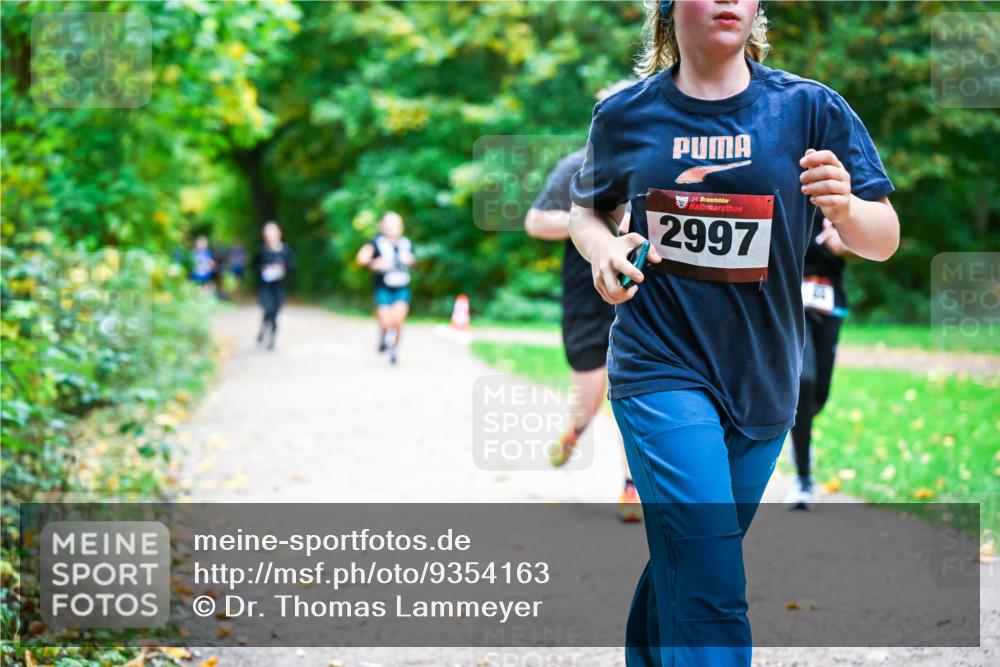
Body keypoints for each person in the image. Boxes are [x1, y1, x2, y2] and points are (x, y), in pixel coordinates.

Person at [567, 1, 898, 664]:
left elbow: (883, 238)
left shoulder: (810, 110)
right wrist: (603, 253)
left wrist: (844, 206)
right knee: (711, 575)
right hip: (658, 365)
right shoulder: (626, 116)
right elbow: (587, 213)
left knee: (691, 561)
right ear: (667, 8)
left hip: (763, 377)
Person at [525, 106, 642, 522]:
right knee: (590, 399)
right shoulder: (577, 166)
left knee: (630, 391)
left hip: (638, 295)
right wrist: (587, 220)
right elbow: (535, 222)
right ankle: (576, 430)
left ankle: (632, 487)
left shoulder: (652, 164)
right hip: (585, 296)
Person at [786, 217, 851, 509]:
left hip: (829, 299)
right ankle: (803, 479)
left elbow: (869, 245)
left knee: (819, 396)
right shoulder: (782, 183)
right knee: (804, 380)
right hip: (789, 300)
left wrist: (847, 244)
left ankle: (800, 436)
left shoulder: (840, 191)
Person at [355, 212, 415, 366]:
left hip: (402, 287)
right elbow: (361, 258)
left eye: (396, 224)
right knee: (387, 321)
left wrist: (410, 260)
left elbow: (414, 261)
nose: (393, 228)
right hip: (383, 287)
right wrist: (374, 262)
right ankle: (383, 335)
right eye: (389, 225)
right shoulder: (376, 243)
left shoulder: (406, 243)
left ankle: (394, 351)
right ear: (383, 226)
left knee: (398, 320)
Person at [253, 221, 293, 351]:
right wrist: (264, 270)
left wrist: (282, 267)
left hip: (279, 287)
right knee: (268, 310)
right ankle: (263, 329)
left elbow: (292, 267)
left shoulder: (285, 250)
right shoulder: (261, 250)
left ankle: (272, 340)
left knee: (275, 313)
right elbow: (254, 267)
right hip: (265, 287)